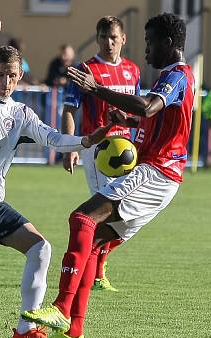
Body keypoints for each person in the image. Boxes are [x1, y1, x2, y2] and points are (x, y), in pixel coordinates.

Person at [0, 17, 118, 338]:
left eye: (13, 76)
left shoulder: (20, 114)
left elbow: (53, 138)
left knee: (41, 248)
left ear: (19, 77)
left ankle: (24, 330)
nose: (6, 81)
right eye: (1, 74)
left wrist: (86, 141)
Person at [22, 13, 194, 338]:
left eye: (150, 42)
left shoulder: (177, 76)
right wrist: (126, 119)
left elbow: (148, 108)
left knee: (82, 217)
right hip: (155, 172)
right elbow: (154, 119)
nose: (145, 50)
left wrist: (98, 90)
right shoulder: (170, 76)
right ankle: (74, 332)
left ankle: (61, 309)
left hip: (157, 172)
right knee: (92, 243)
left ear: (168, 44)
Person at [61, 16, 141, 293]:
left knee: (129, 214)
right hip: (98, 149)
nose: (108, 43)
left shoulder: (133, 71)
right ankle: (95, 270)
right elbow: (69, 109)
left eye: (113, 37)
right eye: (103, 37)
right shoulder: (86, 70)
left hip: (127, 151)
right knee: (104, 211)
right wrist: (70, 146)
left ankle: (97, 262)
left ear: (123, 39)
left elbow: (139, 110)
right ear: (97, 39)